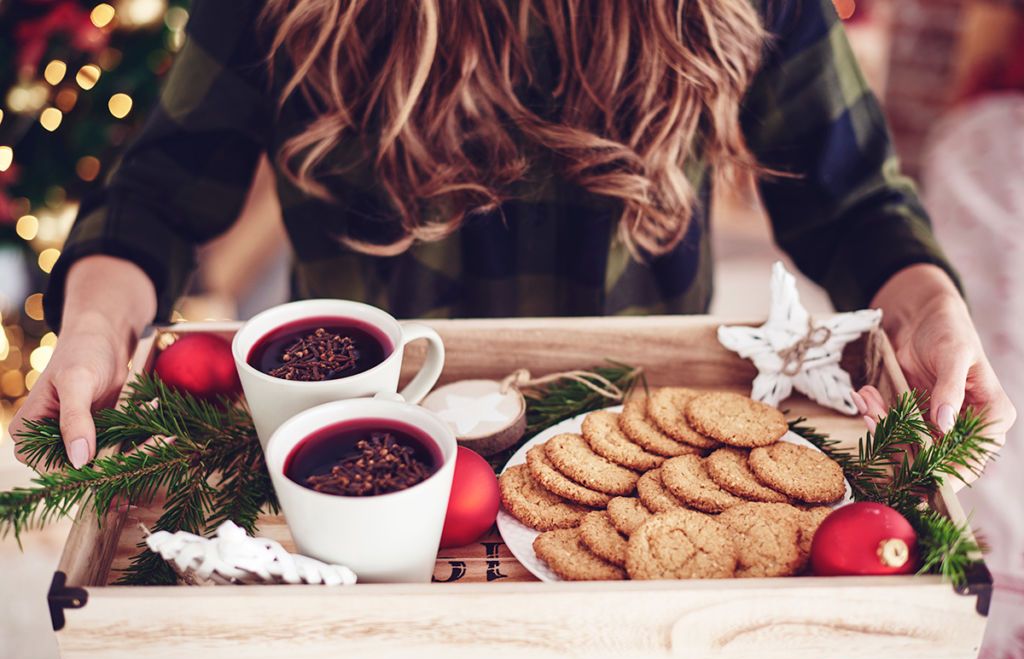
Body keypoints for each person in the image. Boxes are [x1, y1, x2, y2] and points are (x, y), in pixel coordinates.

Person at [8, 0, 1013, 525]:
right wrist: (95, 326)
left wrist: (923, 300)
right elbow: (157, 191)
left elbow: (850, 201)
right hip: (361, 461)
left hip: (640, 461)